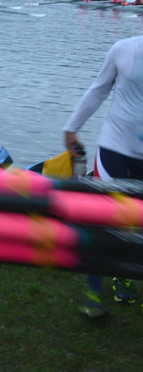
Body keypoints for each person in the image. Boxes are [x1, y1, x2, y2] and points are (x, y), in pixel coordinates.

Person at [63, 34, 143, 317]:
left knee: (138, 222)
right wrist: (72, 128)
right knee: (106, 217)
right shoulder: (123, 49)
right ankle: (94, 287)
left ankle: (124, 272)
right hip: (115, 148)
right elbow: (98, 90)